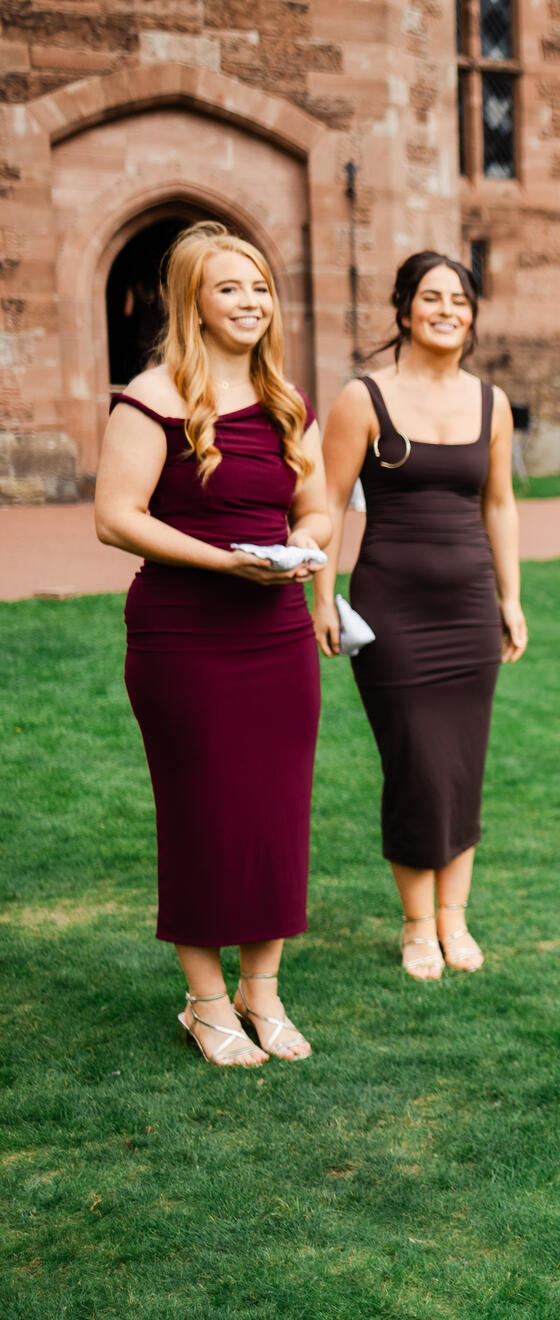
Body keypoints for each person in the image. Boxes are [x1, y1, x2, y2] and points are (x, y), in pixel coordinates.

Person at [94, 221, 330, 1065]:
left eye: (260, 287)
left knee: (275, 816)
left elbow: (318, 506)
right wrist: (226, 563)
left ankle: (261, 993)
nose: (251, 301)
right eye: (230, 287)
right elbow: (115, 517)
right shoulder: (151, 397)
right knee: (200, 816)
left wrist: (302, 543)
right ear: (192, 302)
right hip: (183, 634)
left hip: (276, 635)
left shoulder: (286, 401)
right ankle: (204, 1004)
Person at [314, 252, 527, 980]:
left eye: (460, 300)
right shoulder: (363, 399)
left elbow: (499, 504)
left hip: (469, 610)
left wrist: (510, 598)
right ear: (404, 309)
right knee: (414, 765)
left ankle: (454, 919)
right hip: (392, 612)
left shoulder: (492, 403)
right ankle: (415, 926)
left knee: (463, 765)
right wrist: (322, 596)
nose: (447, 311)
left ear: (473, 316)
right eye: (431, 298)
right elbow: (327, 502)